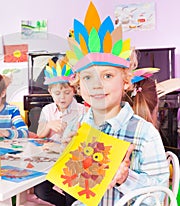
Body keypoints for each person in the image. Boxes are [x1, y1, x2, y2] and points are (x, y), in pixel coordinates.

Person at [66, 2, 169, 205]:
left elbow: (161, 198)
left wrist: (125, 178)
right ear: (78, 85)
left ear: (126, 81)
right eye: (88, 77)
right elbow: (80, 185)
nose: (96, 85)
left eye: (107, 75)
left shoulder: (145, 135)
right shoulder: (79, 126)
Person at [34, 58, 86, 206]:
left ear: (74, 91)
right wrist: (49, 125)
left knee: (71, 193)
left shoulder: (82, 110)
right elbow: (39, 135)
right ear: (50, 92)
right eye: (57, 93)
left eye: (67, 92)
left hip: (71, 161)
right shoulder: (47, 110)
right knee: (41, 191)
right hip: (50, 159)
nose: (62, 97)